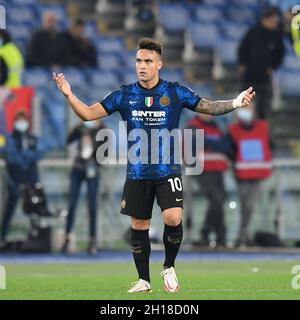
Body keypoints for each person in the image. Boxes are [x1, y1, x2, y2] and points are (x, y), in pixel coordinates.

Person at [53, 38, 255, 293]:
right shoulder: (124, 95)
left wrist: (235, 103)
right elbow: (88, 114)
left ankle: (169, 265)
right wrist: (70, 95)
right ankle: (144, 280)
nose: (142, 66)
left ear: (159, 64)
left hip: (167, 169)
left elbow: (208, 106)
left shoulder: (174, 92)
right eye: (138, 60)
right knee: (139, 225)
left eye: (148, 61)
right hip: (138, 172)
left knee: (173, 216)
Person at [228, 103, 272, 247]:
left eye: (248, 109)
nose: (246, 112)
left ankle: (243, 236)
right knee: (246, 207)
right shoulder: (233, 130)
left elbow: (270, 145)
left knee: (249, 206)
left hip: (257, 174)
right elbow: (230, 151)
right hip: (241, 175)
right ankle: (244, 236)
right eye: (243, 109)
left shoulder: (262, 127)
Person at [61, 120, 105, 255]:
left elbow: (103, 156)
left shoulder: (103, 131)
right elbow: (69, 140)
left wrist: (92, 141)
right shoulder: (80, 128)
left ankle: (92, 240)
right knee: (72, 204)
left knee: (92, 206)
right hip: (78, 169)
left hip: (92, 169)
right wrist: (79, 126)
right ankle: (67, 237)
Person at [0, 111, 45, 244]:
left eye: (24, 120)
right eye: (19, 120)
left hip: (31, 180)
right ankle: (2, 238)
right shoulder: (10, 139)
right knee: (9, 209)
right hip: (14, 180)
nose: (22, 124)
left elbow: (39, 152)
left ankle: (36, 239)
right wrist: (26, 157)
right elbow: (13, 156)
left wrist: (24, 157)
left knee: (34, 210)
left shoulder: (33, 138)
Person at [186, 113, 229, 247]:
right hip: (202, 170)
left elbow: (225, 144)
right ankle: (207, 232)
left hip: (217, 168)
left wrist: (210, 142)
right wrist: (214, 143)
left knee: (219, 201)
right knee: (217, 199)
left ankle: (219, 237)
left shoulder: (216, 126)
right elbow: (197, 143)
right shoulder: (192, 126)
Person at [238, 7, 284, 120]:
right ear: (265, 20)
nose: (275, 23)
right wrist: (242, 64)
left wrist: (273, 67)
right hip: (250, 75)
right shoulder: (253, 32)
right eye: (272, 21)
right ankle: (243, 125)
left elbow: (280, 54)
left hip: (265, 77)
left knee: (264, 107)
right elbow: (242, 49)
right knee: (245, 104)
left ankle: (262, 127)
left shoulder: (276, 36)